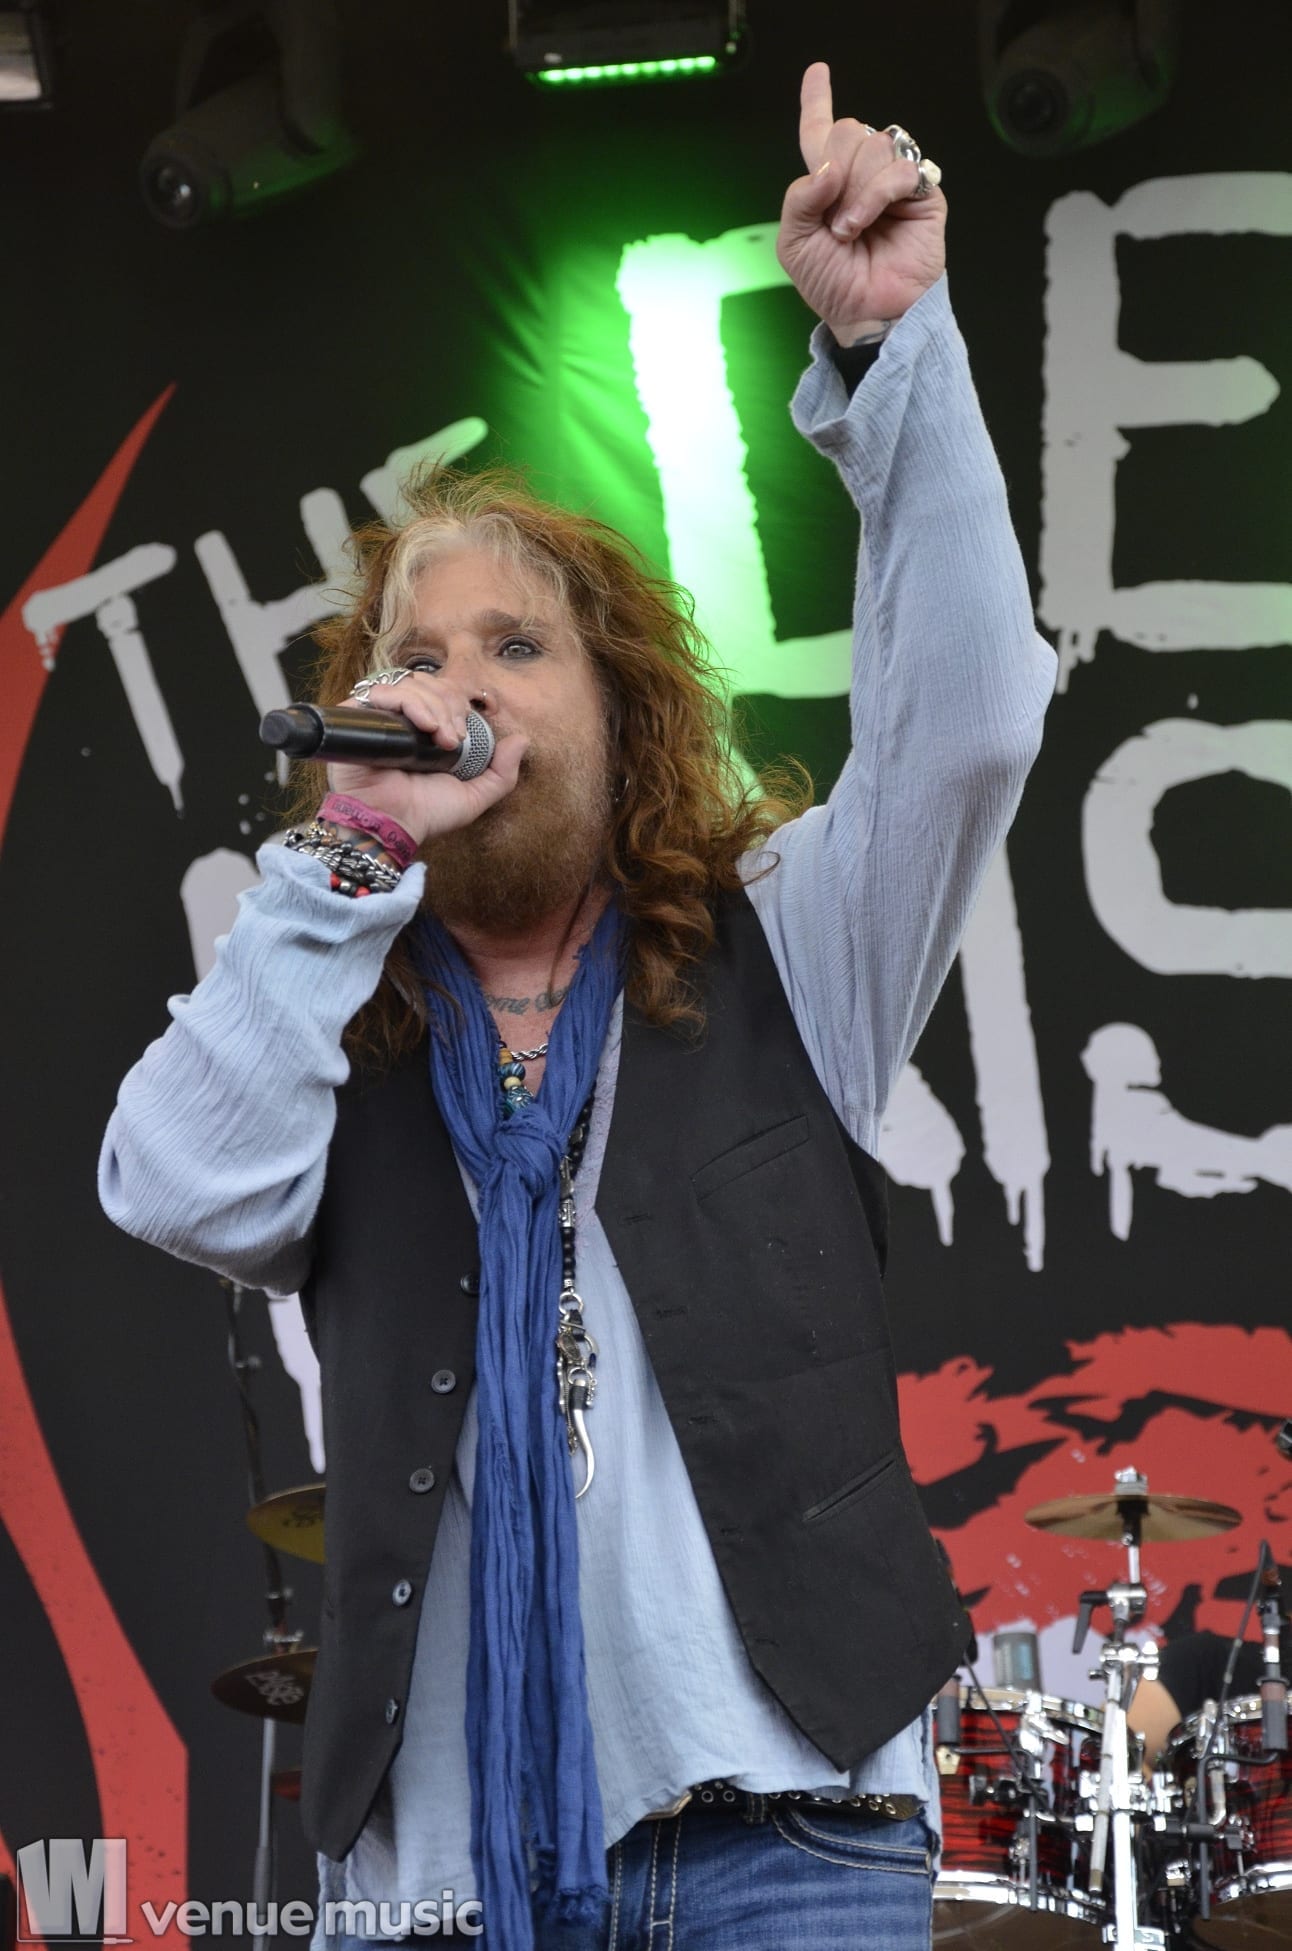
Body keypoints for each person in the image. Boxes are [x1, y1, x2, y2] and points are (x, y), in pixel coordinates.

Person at [100, 62, 1056, 1951]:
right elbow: (175, 1183)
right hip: (439, 1873)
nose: (454, 689)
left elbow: (968, 725)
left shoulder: (791, 940)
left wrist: (898, 353)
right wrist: (350, 855)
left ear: (623, 723)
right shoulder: (331, 1006)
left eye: (515, 648)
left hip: (782, 1838)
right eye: (414, 658)